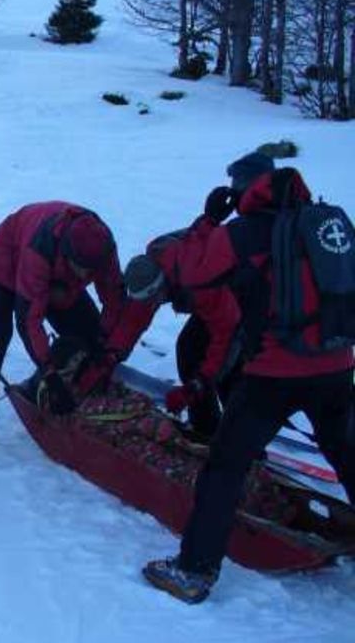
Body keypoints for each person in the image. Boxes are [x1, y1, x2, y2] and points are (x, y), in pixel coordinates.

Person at [143, 156, 355, 604]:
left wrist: (208, 220)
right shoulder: (324, 223)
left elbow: (192, 271)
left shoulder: (245, 232)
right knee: (348, 455)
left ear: (243, 191)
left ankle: (194, 570)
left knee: (225, 467)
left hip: (274, 373)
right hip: (336, 366)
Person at [0, 202, 124, 473]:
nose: (87, 276)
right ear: (68, 253)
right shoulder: (40, 250)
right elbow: (30, 321)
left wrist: (105, 345)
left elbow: (114, 298)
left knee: (89, 333)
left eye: (91, 271)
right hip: (6, 265)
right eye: (81, 268)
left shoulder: (102, 249)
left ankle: (46, 387)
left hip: (59, 281)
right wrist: (50, 375)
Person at [80, 222, 243, 440]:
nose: (151, 304)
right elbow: (134, 318)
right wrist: (112, 355)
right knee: (188, 350)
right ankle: (206, 428)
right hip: (217, 298)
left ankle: (237, 438)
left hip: (248, 292)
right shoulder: (153, 269)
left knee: (228, 372)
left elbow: (225, 333)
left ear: (161, 287)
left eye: (153, 298)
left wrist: (198, 385)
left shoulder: (198, 281)